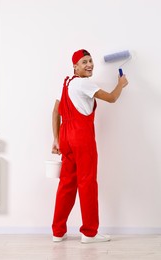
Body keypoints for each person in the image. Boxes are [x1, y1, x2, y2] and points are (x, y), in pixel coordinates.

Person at [51, 49, 128, 243]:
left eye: (91, 61)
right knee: (87, 183)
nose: (89, 65)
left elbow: (55, 111)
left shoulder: (66, 83)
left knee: (66, 184)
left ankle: (58, 232)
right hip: (81, 136)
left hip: (66, 137)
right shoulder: (85, 83)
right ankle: (89, 233)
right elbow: (111, 98)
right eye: (84, 62)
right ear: (75, 66)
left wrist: (56, 139)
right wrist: (120, 85)